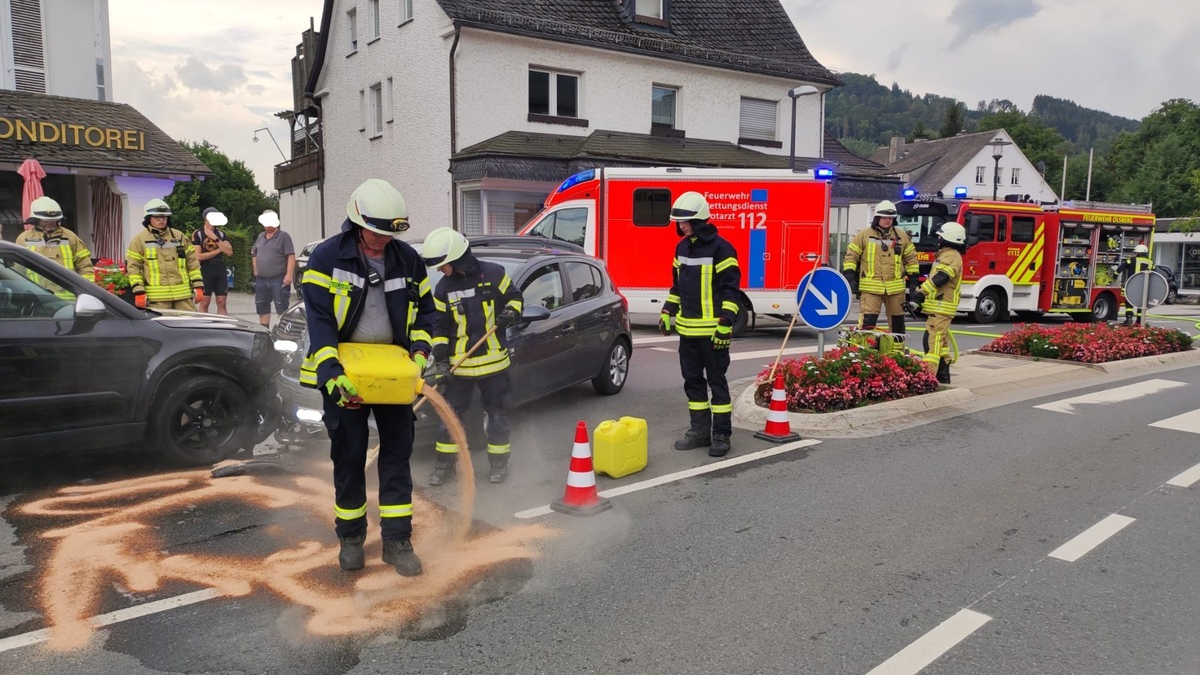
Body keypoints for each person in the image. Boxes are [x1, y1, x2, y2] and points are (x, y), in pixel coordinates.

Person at [300, 178, 435, 577]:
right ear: (357, 223)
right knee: (350, 454)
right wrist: (331, 373)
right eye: (376, 233)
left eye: (389, 234)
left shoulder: (408, 259)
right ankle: (351, 538)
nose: (381, 242)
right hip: (346, 373)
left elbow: (426, 312)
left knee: (397, 453)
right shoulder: (327, 259)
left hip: (393, 375)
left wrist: (421, 351)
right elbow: (319, 320)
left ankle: (396, 540)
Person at [421, 227, 524, 486]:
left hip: (494, 364)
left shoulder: (493, 273)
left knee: (497, 415)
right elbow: (440, 328)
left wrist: (511, 312)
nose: (439, 270)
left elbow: (515, 298)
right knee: (450, 417)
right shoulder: (443, 289)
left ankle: (498, 465)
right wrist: (442, 362)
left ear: (457, 258)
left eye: (443, 265)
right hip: (460, 367)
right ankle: (445, 465)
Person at [659, 191, 741, 458]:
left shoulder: (722, 249)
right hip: (687, 332)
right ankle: (700, 431)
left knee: (717, 382)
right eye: (679, 222)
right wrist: (667, 310)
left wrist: (726, 324)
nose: (681, 226)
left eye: (685, 222)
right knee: (692, 382)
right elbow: (677, 286)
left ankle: (721, 434)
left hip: (714, 333)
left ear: (700, 221)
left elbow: (731, 290)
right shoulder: (681, 248)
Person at [842, 199, 919, 335]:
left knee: (898, 326)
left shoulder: (902, 237)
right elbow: (851, 256)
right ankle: (864, 354)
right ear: (877, 217)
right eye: (884, 217)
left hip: (895, 290)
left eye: (890, 217)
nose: (887, 220)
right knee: (867, 325)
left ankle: (896, 353)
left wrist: (913, 284)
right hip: (871, 289)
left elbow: (911, 260)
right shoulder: (864, 235)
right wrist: (850, 277)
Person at [911, 222, 966, 384]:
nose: (938, 239)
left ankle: (928, 377)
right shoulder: (946, 255)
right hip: (938, 306)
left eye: (940, 236)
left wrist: (920, 293)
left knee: (932, 342)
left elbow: (940, 278)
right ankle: (943, 374)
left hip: (942, 307)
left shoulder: (951, 256)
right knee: (941, 343)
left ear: (948, 238)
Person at [126, 199, 203, 310]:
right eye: (157, 217)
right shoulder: (139, 240)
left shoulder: (179, 236)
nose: (161, 220)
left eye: (164, 217)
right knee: (160, 327)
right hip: (157, 299)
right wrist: (139, 291)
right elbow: (133, 268)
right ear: (149, 218)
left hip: (183, 297)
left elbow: (192, 263)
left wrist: (198, 285)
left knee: (189, 325)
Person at [16, 197, 94, 298]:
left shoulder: (70, 237)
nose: (51, 223)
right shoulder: (24, 239)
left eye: (54, 220)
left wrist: (87, 291)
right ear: (36, 220)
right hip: (38, 299)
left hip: (69, 301)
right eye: (46, 221)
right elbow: (18, 271)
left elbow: (85, 266)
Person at [251, 209, 295, 327]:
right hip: (261, 278)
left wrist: (289, 275)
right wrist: (255, 269)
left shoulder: (284, 236)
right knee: (262, 306)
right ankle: (264, 332)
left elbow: (291, 255)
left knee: (281, 306)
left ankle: (282, 332)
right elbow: (254, 253)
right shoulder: (260, 236)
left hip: (279, 278)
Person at [192, 207, 233, 315]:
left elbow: (229, 252)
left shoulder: (221, 234)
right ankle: (204, 328)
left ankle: (224, 327)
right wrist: (219, 250)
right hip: (205, 269)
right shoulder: (198, 234)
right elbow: (198, 256)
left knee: (222, 302)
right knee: (205, 302)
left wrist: (215, 238)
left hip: (219, 269)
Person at [1116, 243, 1154, 326]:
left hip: (1132, 285)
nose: (1135, 254)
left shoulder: (1131, 260)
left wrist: (1115, 275)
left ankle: (1129, 320)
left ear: (1138, 252)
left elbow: (1120, 268)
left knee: (1129, 303)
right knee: (1141, 304)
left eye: (1135, 253)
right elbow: (1155, 273)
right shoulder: (1151, 262)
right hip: (1144, 287)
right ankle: (1139, 321)